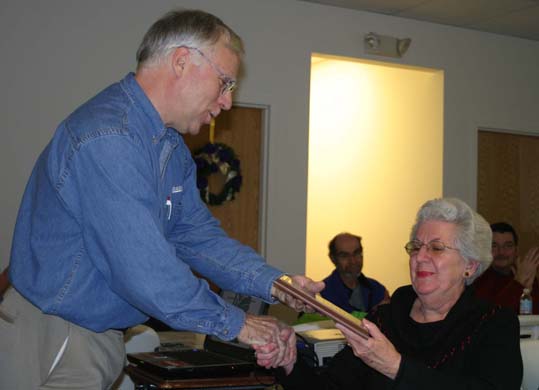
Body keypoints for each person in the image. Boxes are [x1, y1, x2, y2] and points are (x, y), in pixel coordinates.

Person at [0, 9, 323, 389]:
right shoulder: (110, 138)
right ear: (182, 62)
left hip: (91, 335)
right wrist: (240, 325)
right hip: (58, 332)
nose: (227, 103)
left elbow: (197, 238)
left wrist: (277, 284)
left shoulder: (168, 148)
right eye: (224, 83)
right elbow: (145, 271)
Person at [277, 198, 523, 389]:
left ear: (469, 265)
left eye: (436, 248)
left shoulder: (494, 324)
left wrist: (395, 366)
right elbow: (331, 387)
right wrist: (288, 361)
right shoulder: (385, 318)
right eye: (416, 247)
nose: (420, 257)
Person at [474, 222, 539, 314]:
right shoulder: (478, 279)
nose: (501, 252)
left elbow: (534, 317)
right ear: (486, 250)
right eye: (494, 246)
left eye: (508, 246)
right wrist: (518, 283)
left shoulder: (525, 274)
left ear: (516, 251)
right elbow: (490, 316)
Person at [321, 233, 389, 314]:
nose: (353, 261)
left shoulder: (377, 289)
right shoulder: (323, 295)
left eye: (356, 253)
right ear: (333, 258)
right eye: (344, 256)